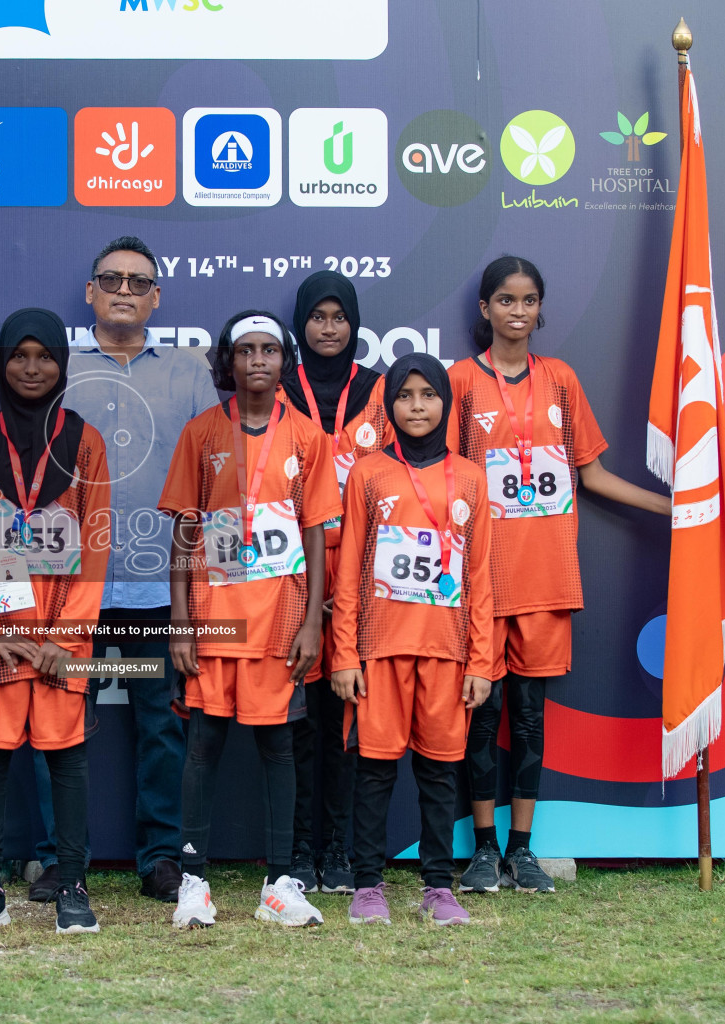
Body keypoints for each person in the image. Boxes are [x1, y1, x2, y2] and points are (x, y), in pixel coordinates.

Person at [448, 256, 670, 894]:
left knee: (529, 719)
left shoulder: (561, 380)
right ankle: (483, 851)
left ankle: (523, 849)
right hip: (481, 583)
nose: (518, 311)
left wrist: (672, 506)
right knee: (482, 721)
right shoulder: (461, 381)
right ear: (485, 309)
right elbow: (450, 480)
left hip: (546, 580)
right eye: (506, 300)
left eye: (529, 300)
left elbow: (592, 475)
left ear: (541, 309)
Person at [160, 311, 339, 929]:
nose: (257, 360)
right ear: (228, 362)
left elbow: (315, 532)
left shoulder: (309, 438)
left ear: (284, 361)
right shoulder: (203, 431)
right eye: (245, 351)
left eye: (268, 350)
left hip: (280, 617)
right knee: (203, 745)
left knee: (278, 746)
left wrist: (313, 619)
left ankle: (279, 883)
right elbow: (185, 529)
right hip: (215, 614)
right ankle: (194, 881)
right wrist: (180, 621)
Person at [55, 235, 220, 903]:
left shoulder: (189, 371)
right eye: (111, 279)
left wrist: (213, 589)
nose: (124, 290)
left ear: (156, 297)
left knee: (160, 725)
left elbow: (217, 483)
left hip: (160, 587)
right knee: (63, 718)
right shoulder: (54, 368)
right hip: (72, 585)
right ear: (90, 291)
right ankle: (62, 862)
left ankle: (160, 858)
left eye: (138, 282)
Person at [0, 309, 110, 934]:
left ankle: (72, 885)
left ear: (62, 363)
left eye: (44, 356)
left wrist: (64, 638)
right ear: (2, 362)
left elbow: (97, 539)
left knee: (65, 757)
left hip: (62, 640)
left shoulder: (84, 439)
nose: (32, 368)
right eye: (20, 356)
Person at [330, 352, 494, 927]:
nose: (417, 405)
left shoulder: (472, 478)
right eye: (405, 395)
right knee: (373, 772)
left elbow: (480, 579)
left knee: (439, 771)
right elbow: (348, 569)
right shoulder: (368, 473)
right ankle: (369, 884)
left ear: (446, 403)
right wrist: (344, 653)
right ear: (390, 404)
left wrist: (482, 662)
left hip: (448, 653)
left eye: (428, 395)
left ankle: (437, 886)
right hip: (378, 651)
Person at [278, 269, 392, 894]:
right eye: (318, 317)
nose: (329, 328)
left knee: (346, 721)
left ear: (354, 324)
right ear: (301, 322)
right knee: (300, 724)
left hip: (362, 581)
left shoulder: (381, 392)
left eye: (339, 317)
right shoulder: (275, 390)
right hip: (289, 577)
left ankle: (341, 850)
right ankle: (300, 849)